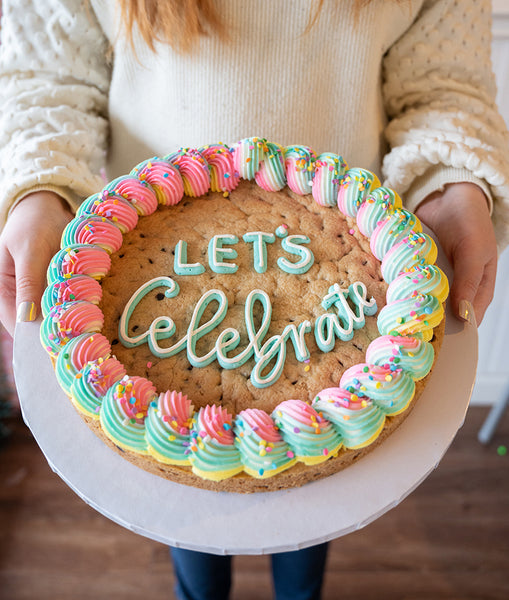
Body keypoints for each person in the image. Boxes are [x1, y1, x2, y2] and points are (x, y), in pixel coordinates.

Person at [0, 1, 508, 598]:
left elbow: (442, 86)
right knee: (187, 498)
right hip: (141, 261)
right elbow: (47, 76)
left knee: (311, 481)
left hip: (349, 255)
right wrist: (41, 182)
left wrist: (449, 176)